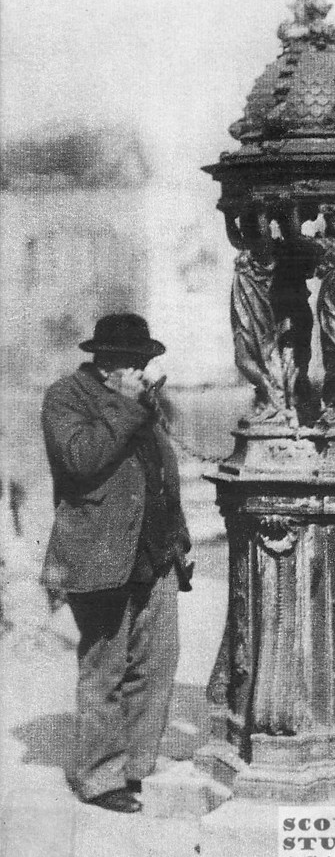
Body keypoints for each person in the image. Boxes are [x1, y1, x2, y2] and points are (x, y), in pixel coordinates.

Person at [41, 313, 193, 814]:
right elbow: (82, 459)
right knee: (105, 667)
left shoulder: (145, 404)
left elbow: (161, 473)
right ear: (103, 362)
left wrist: (180, 535)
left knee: (157, 661)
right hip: (98, 556)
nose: (139, 369)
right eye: (129, 361)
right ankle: (100, 777)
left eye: (143, 361)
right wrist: (126, 407)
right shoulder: (66, 397)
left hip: (155, 552)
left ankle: (134, 766)